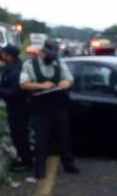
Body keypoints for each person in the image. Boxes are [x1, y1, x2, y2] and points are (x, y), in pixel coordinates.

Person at [20, 39, 79, 179]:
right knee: (41, 139)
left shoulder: (59, 63)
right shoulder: (29, 64)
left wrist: (66, 82)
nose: (51, 58)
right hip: (40, 108)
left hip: (59, 106)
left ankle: (68, 164)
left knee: (63, 136)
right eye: (49, 55)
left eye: (54, 56)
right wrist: (41, 86)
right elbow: (23, 84)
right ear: (42, 52)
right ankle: (39, 168)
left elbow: (70, 79)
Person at [0, 45, 32, 171]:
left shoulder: (16, 71)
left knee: (20, 135)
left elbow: (15, 92)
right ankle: (22, 158)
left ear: (9, 56)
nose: (2, 56)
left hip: (19, 107)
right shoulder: (10, 67)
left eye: (3, 54)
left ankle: (26, 161)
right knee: (17, 134)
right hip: (14, 106)